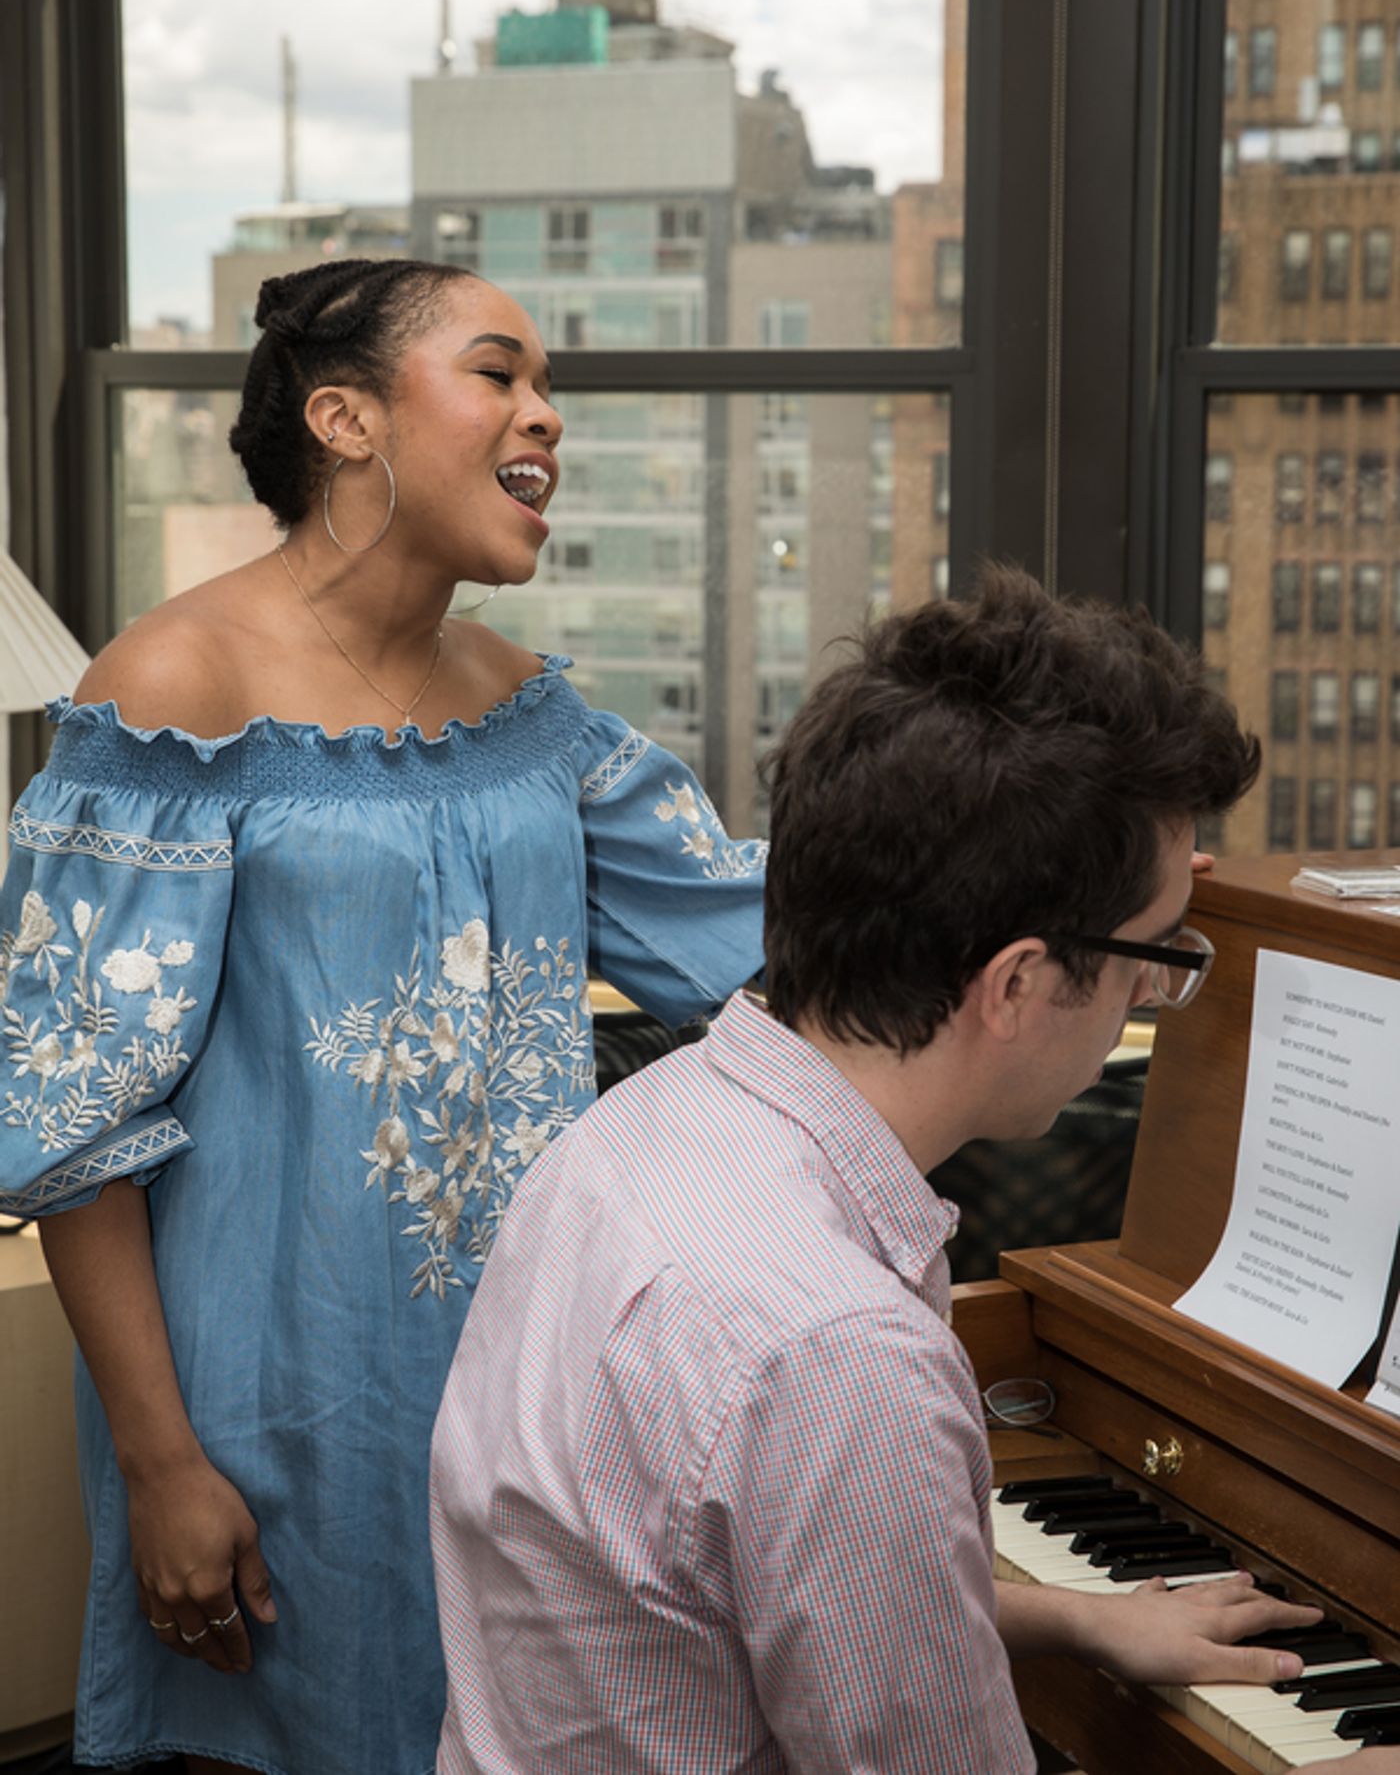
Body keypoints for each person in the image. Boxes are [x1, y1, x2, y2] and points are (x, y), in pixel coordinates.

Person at [429, 568, 1400, 1775]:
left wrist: (1061, 1614)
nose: (1155, 991)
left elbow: (725, 1596)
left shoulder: (640, 1132)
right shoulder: (834, 1351)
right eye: (1154, 954)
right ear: (1016, 983)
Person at [0, 259, 765, 1775]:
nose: (545, 417)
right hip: (268, 1425)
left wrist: (1049, 872)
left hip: (530, 1411)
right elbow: (72, 1123)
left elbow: (752, 941)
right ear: (344, 418)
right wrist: (162, 1466)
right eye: (501, 374)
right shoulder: (173, 690)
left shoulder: (528, 709)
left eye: (548, 388)